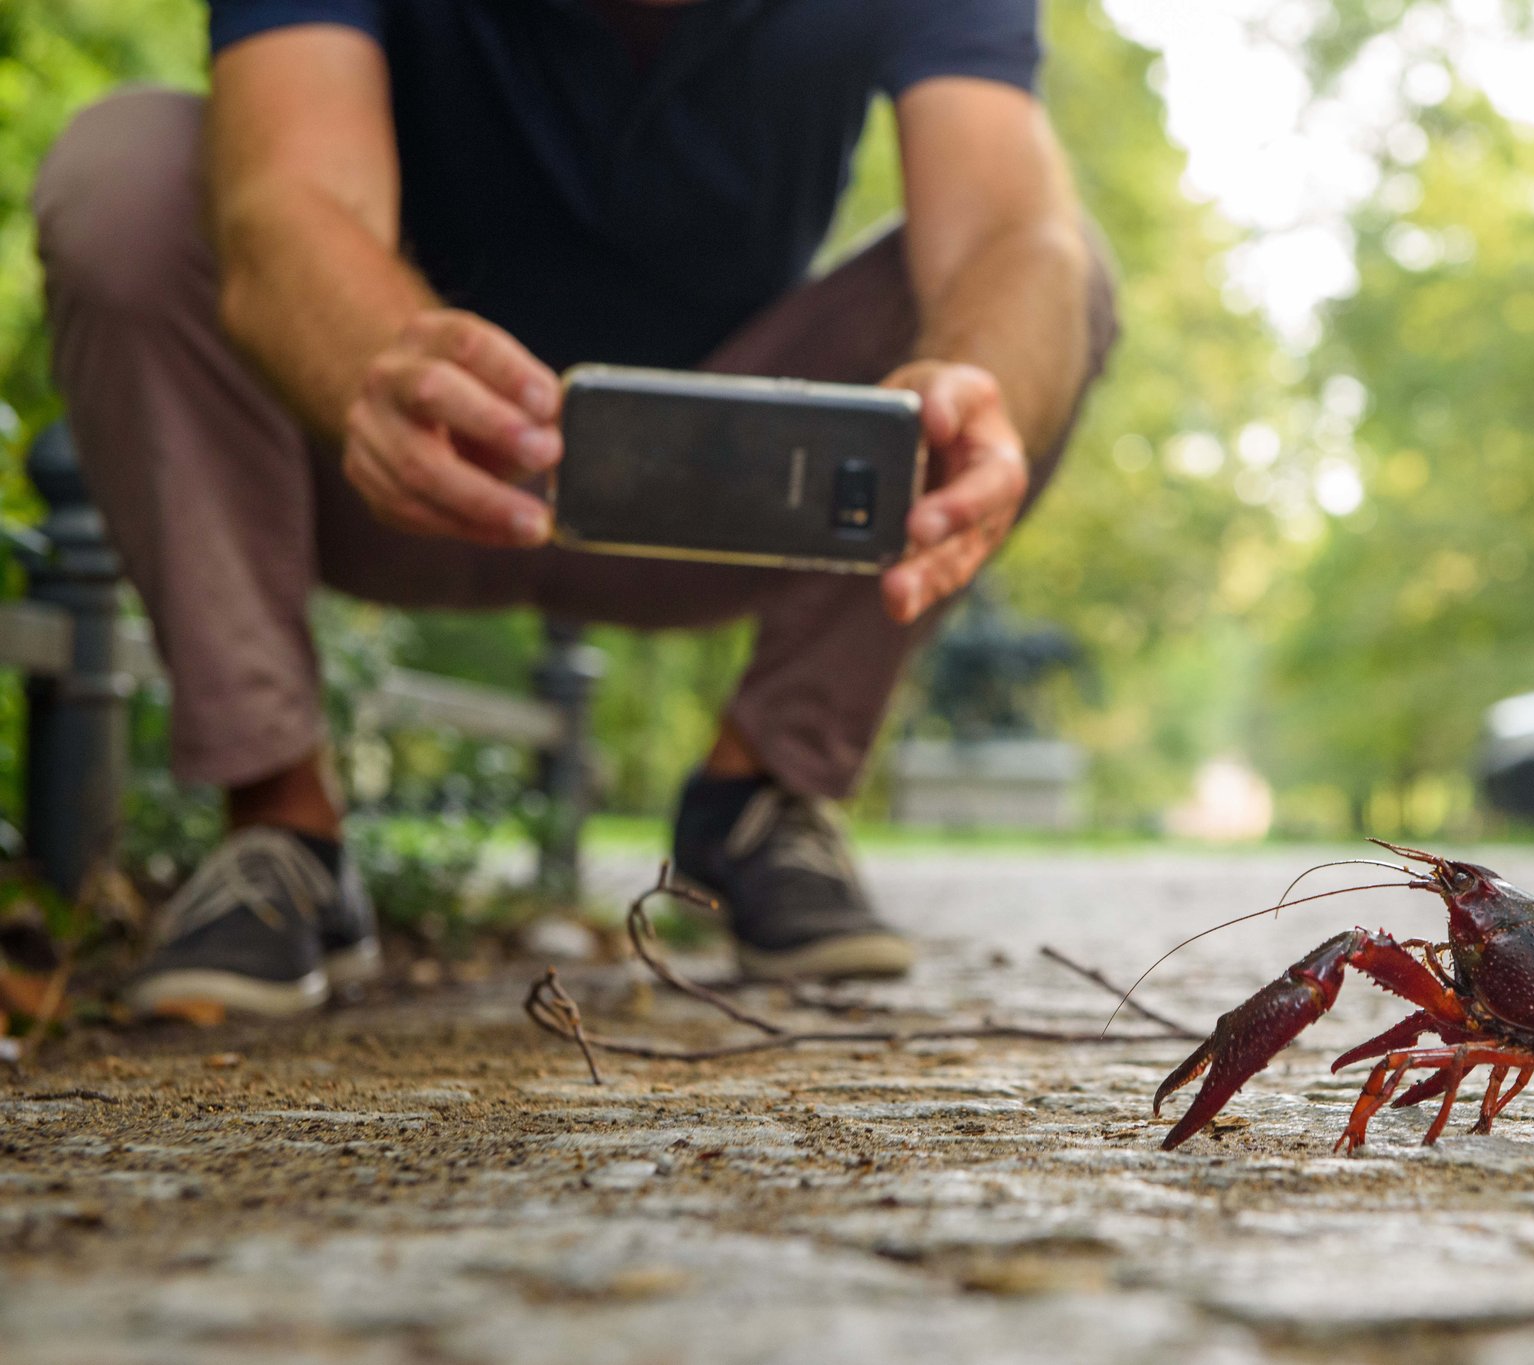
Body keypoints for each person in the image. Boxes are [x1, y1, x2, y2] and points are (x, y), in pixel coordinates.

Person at [32, 0, 1116, 1016]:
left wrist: (984, 387)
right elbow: (288, 198)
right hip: (372, 459)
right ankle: (278, 819)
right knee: (129, 176)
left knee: (1047, 292)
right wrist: (382, 362)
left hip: (726, 501)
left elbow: (1005, 230)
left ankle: (758, 793)